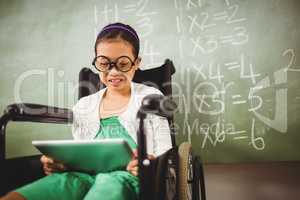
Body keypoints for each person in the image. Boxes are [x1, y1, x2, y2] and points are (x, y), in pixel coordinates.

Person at [0, 22, 172, 200]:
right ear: (96, 62)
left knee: (108, 185)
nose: (113, 72)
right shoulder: (84, 105)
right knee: (33, 192)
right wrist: (62, 164)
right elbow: (80, 153)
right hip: (82, 176)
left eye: (122, 63)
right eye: (104, 63)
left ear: (136, 63)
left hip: (130, 178)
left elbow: (165, 152)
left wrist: (150, 164)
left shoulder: (150, 97)